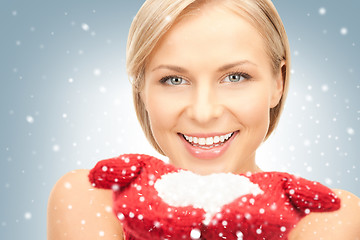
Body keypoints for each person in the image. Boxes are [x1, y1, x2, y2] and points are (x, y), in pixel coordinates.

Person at [47, 0, 360, 239]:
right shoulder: (92, 197)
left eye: (235, 77)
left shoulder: (326, 215)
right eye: (174, 80)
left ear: (278, 82)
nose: (204, 112)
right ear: (141, 89)